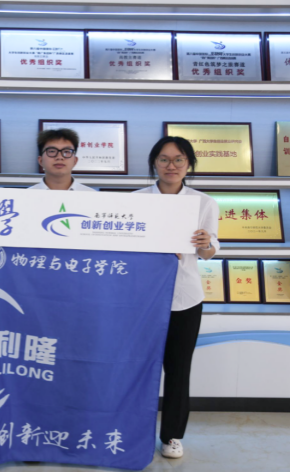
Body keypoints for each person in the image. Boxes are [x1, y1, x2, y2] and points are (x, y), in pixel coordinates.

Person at [134, 136, 220, 460]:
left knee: (178, 369)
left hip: (185, 298)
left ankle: (171, 435)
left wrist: (205, 243)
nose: (171, 165)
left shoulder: (203, 203)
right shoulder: (136, 200)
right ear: (154, 163)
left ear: (189, 164)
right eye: (164, 159)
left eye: (179, 159)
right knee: (137, 366)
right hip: (141, 299)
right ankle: (131, 429)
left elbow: (210, 252)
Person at [29, 128, 95, 192]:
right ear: (41, 160)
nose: (59, 157)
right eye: (52, 151)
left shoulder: (92, 195)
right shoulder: (26, 195)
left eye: (66, 151)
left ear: (75, 161)